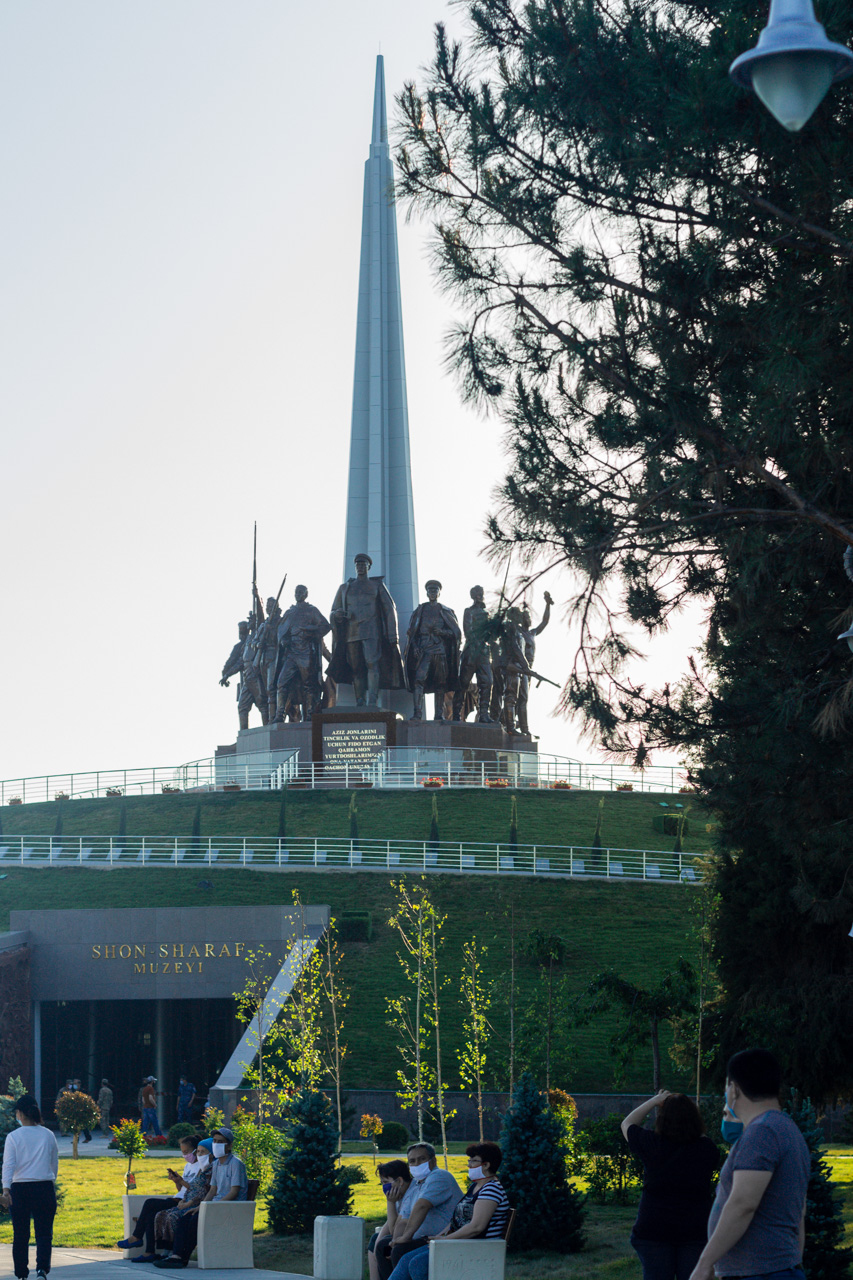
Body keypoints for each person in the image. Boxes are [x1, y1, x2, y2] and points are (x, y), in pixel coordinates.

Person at [689, 1048, 810, 1280]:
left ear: (734, 1089)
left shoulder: (761, 1132)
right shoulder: (787, 1129)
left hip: (759, 1273)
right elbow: (799, 1210)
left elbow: (743, 1204)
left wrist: (705, 1264)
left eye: (727, 1086)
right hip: (775, 1269)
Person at [621, 1090, 720, 1280]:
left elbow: (627, 1123)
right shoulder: (707, 1149)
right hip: (695, 1230)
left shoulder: (652, 1143)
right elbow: (701, 1136)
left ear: (662, 1119)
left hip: (653, 1229)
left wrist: (654, 1101)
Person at [387, 1142, 510, 1280]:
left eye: (473, 1161)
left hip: (476, 1247)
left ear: (486, 1165)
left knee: (417, 1264)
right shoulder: (476, 1187)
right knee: (406, 1260)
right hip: (459, 1243)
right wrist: (439, 1237)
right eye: (469, 1160)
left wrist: (444, 1239)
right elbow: (457, 1220)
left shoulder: (491, 1189)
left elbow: (476, 1227)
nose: (468, 1165)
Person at [154, 1126, 248, 1269]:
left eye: (221, 1142)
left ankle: (182, 1258)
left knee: (194, 1221)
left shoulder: (236, 1164)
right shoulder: (216, 1164)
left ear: (229, 1145)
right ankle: (176, 1256)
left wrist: (210, 1207)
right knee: (185, 1216)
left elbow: (234, 1192)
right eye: (215, 1141)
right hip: (214, 1206)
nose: (216, 1144)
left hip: (230, 1207)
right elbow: (213, 1190)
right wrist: (201, 1206)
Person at [374, 1142, 463, 1280]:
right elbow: (402, 1221)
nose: (417, 1164)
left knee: (400, 1250)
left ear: (433, 1160)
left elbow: (422, 1206)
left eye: (422, 1159)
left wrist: (405, 1238)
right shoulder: (418, 1183)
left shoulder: (439, 1176)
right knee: (383, 1247)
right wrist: (395, 1240)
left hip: (438, 1237)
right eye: (412, 1161)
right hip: (422, 1238)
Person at [329, 553, 406, 706]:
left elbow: (389, 609)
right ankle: (360, 701)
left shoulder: (376, 585)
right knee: (356, 668)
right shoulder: (345, 588)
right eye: (358, 564)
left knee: (372, 664)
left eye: (363, 564)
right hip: (352, 633)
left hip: (371, 632)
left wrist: (393, 634)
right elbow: (333, 611)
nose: (360, 567)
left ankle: (372, 700)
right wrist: (337, 615)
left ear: (369, 567)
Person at [118, 1134, 205, 1263]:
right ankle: (149, 1252)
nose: (185, 1155)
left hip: (184, 1202)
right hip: (179, 1198)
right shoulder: (188, 1166)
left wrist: (182, 1181)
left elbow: (196, 1190)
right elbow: (181, 1190)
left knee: (149, 1203)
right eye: (182, 1152)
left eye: (186, 1152)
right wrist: (177, 1181)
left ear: (195, 1150)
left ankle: (136, 1237)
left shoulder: (201, 1166)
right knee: (151, 1215)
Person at [0, 1093, 59, 1280]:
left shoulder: (14, 1137)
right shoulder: (48, 1135)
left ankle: (21, 1274)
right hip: (44, 1187)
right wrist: (49, 1181)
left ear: (20, 1114)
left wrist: (6, 1190)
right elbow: (54, 1164)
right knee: (44, 1233)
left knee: (21, 1234)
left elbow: (8, 1165)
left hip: (20, 1189)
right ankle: (42, 1270)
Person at [153, 1139, 214, 1259]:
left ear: (211, 1154)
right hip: (187, 1201)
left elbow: (204, 1191)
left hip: (196, 1204)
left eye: (203, 1152)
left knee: (173, 1217)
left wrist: (189, 1202)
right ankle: (165, 1249)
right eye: (199, 1152)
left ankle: (173, 1251)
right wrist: (183, 1199)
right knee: (160, 1215)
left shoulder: (212, 1171)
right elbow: (189, 1190)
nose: (200, 1155)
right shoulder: (202, 1169)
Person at [368, 1161, 413, 1280]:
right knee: (375, 1241)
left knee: (383, 1247)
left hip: (416, 1236)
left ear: (400, 1181)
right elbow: (389, 1224)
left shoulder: (411, 1194)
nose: (384, 1187)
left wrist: (390, 1202)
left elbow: (394, 1229)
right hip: (405, 1234)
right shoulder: (399, 1195)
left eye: (386, 1182)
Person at [72, 1079, 91, 1144]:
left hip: (82, 1111)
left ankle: (88, 1138)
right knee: (76, 1125)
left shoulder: (83, 1092)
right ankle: (76, 1139)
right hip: (76, 1110)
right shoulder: (73, 1092)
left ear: (79, 1084)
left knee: (84, 1126)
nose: (74, 1085)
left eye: (75, 1083)